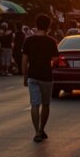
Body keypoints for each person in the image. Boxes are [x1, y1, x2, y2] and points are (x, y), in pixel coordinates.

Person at [21, 14, 60, 142]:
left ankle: (37, 132)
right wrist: (50, 65)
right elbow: (55, 60)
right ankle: (42, 128)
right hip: (46, 76)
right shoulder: (51, 41)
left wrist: (25, 76)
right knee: (46, 104)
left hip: (33, 76)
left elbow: (24, 60)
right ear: (48, 27)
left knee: (34, 105)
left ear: (36, 25)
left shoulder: (29, 41)